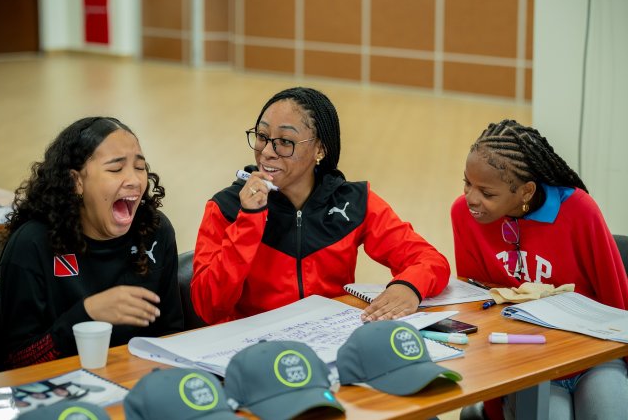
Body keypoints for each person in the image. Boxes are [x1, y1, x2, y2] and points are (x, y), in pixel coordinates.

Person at [191, 87, 450, 325]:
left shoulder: (353, 202)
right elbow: (207, 306)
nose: (267, 151)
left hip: (328, 339)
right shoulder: (225, 207)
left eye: (285, 141)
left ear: (320, 150)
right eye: (262, 136)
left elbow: (430, 260)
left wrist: (409, 286)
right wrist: (249, 220)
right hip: (252, 345)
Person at [451, 119, 628, 420]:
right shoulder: (464, 215)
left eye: (487, 193)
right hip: (528, 363)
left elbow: (617, 300)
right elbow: (478, 309)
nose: (471, 199)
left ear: (526, 191)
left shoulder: (580, 211)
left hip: (594, 358)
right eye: (467, 183)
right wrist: (493, 405)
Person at [0, 117, 184, 369]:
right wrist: (87, 314)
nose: (134, 180)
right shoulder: (32, 245)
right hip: (61, 385)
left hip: (142, 379)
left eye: (140, 167)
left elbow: (173, 333)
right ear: (76, 181)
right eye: (116, 169)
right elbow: (19, 360)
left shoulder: (154, 231)